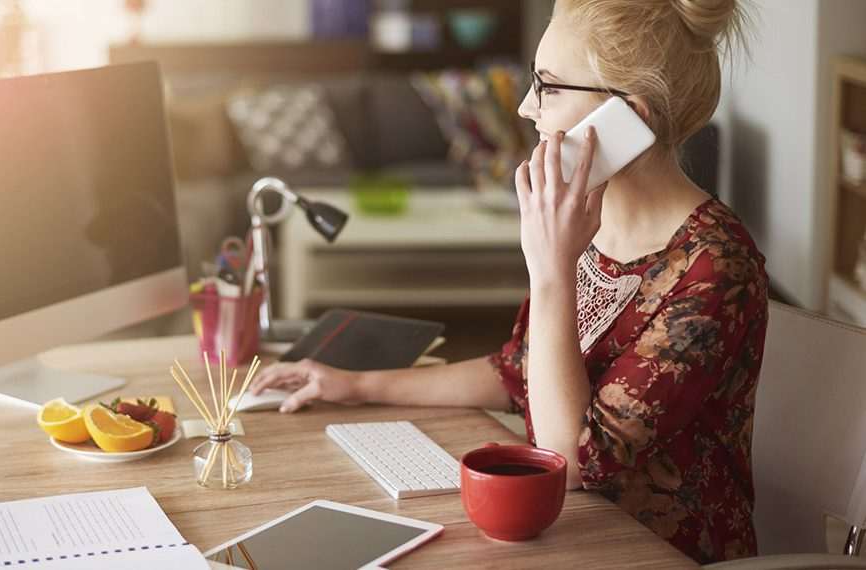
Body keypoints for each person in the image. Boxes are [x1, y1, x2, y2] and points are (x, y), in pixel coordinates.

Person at [248, 0, 768, 563]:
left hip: (649, 552)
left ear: (629, 119)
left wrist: (550, 273)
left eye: (548, 87)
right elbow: (518, 371)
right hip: (564, 533)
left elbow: (570, 457)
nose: (525, 108)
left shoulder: (715, 268)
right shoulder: (585, 220)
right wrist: (351, 385)